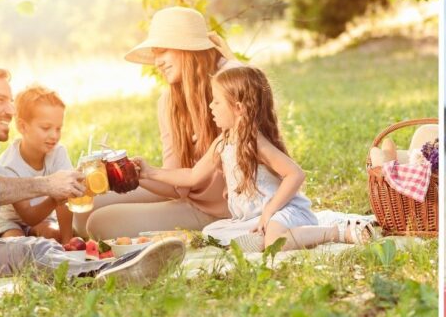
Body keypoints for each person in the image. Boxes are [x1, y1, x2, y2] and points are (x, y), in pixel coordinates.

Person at [0, 66, 185, 284]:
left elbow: (16, 207)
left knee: (33, 250)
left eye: (11, 101)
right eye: (0, 100)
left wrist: (65, 187)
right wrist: (47, 184)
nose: (11, 110)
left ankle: (114, 269)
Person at [134, 66, 376, 251]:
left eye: (217, 101)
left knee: (274, 241)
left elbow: (295, 174)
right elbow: (192, 176)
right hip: (254, 216)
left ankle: (337, 232)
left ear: (238, 108)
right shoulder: (223, 142)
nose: (210, 106)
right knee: (213, 232)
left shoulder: (254, 142)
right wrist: (150, 172)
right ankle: (272, 234)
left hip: (283, 210)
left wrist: (270, 211)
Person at [74, 7, 240, 240]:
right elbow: (174, 185)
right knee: (85, 210)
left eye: (163, 51)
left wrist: (233, 62)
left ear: (188, 47)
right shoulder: (169, 102)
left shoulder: (230, 86)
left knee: (100, 223)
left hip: (221, 210)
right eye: (155, 54)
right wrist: (137, 174)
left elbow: (256, 96)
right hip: (188, 194)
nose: (157, 62)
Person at [0, 85, 74, 243]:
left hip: (43, 217)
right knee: (18, 246)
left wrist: (68, 242)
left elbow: (65, 202)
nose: (54, 135)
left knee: (55, 237)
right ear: (22, 126)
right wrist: (54, 198)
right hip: (11, 221)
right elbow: (28, 216)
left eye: (58, 128)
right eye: (46, 128)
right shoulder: (8, 166)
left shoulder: (57, 153)